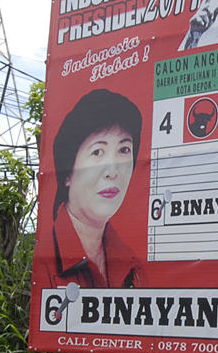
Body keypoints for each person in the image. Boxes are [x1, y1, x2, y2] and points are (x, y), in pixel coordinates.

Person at [46, 88, 148, 288]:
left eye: (124, 150)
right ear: (67, 173)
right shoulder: (45, 262)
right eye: (97, 152)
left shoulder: (133, 267)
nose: (113, 170)